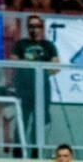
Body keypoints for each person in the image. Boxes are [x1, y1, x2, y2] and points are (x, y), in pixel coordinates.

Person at [10, 15, 58, 151]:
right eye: (31, 26)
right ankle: (18, 151)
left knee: (39, 122)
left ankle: (36, 151)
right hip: (24, 87)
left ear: (42, 28)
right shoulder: (21, 44)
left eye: (37, 26)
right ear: (27, 28)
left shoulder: (48, 46)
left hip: (42, 89)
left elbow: (56, 67)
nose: (34, 29)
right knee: (22, 120)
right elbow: (13, 63)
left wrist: (42, 70)